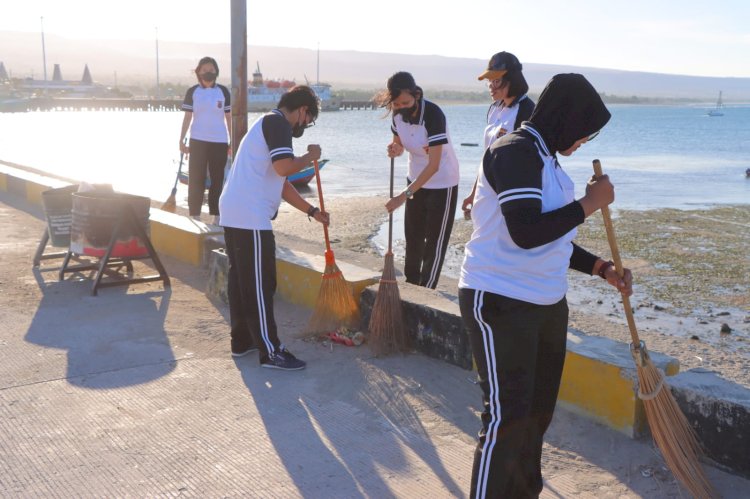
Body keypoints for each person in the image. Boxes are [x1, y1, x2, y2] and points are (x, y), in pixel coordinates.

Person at [458, 73, 634, 498]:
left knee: (535, 418)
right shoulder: (514, 151)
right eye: (584, 132)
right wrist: (591, 204)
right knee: (506, 419)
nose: (583, 143)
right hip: (499, 299)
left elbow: (554, 238)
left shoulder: (548, 160)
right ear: (565, 118)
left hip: (546, 302)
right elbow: (525, 231)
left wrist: (599, 267)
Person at [218, 85, 328, 370]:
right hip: (249, 216)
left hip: (235, 211)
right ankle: (271, 351)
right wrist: (309, 158)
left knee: (243, 282)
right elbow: (284, 168)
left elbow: (281, 184)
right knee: (260, 284)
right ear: (303, 110)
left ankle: (242, 341)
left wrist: (312, 211)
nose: (305, 125)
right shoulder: (278, 123)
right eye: (309, 119)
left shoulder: (268, 123)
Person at [378, 71, 460, 289]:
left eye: (405, 102)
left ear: (416, 94)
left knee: (435, 241)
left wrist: (402, 197)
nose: (401, 107)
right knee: (413, 236)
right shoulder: (397, 114)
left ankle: (426, 289)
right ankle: (412, 284)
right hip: (415, 178)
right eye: (396, 103)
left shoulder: (433, 115)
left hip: (442, 181)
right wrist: (395, 148)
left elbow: (433, 165)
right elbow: (399, 143)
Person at [462, 51, 535, 219]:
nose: (491, 86)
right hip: (487, 189)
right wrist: (474, 192)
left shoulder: (527, 111)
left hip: (509, 194)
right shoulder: (494, 109)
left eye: (497, 81)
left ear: (513, 79)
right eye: (489, 81)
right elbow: (487, 155)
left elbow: (528, 163)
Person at [179, 56, 231, 224]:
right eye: (205, 70)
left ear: (216, 71)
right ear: (198, 72)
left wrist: (233, 141)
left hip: (220, 141)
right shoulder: (192, 92)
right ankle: (194, 216)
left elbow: (229, 118)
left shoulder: (223, 91)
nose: (208, 72)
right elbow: (187, 118)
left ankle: (217, 216)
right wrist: (181, 140)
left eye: (211, 70)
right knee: (196, 178)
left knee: (218, 179)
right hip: (197, 140)